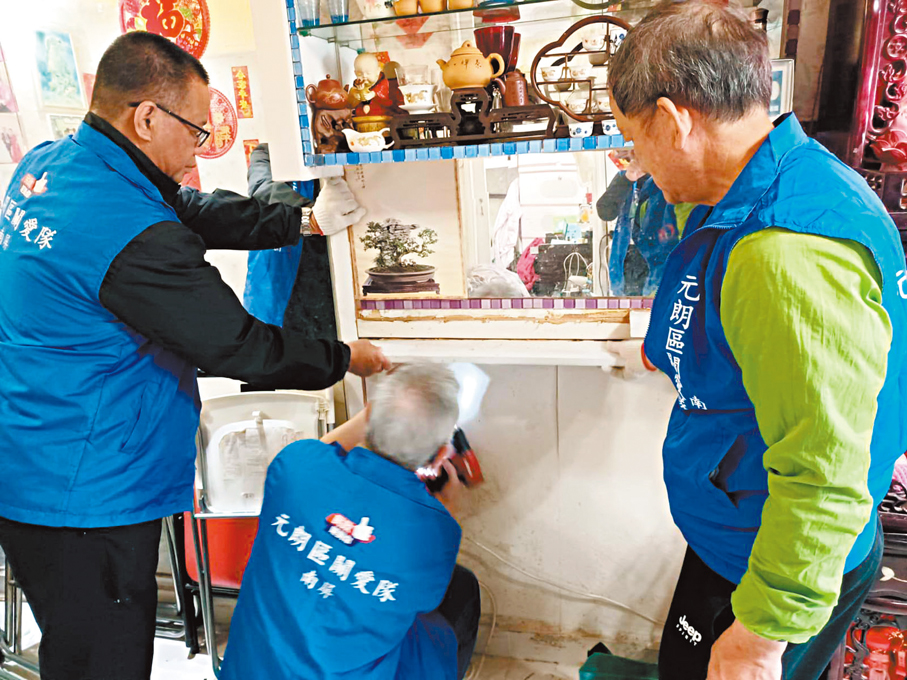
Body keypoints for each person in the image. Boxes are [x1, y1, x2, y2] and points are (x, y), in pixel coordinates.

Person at [0, 32, 390, 680]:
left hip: (31, 451)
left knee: (76, 646)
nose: (199, 149)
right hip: (85, 487)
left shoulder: (54, 163)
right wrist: (343, 356)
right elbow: (240, 345)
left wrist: (300, 222)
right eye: (196, 131)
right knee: (103, 661)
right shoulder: (133, 237)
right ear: (147, 118)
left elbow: (186, 207)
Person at [606, 3, 906, 680]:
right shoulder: (774, 183)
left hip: (776, 567)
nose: (638, 164)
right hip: (739, 530)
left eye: (634, 140)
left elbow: (825, 470)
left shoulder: (781, 251)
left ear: (673, 120)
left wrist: (762, 635)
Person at [220, 363, 481, 680]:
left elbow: (319, 449)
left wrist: (371, 415)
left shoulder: (294, 466)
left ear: (370, 415)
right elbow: (423, 601)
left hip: (248, 670)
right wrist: (446, 509)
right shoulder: (436, 532)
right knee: (461, 590)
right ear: (440, 455)